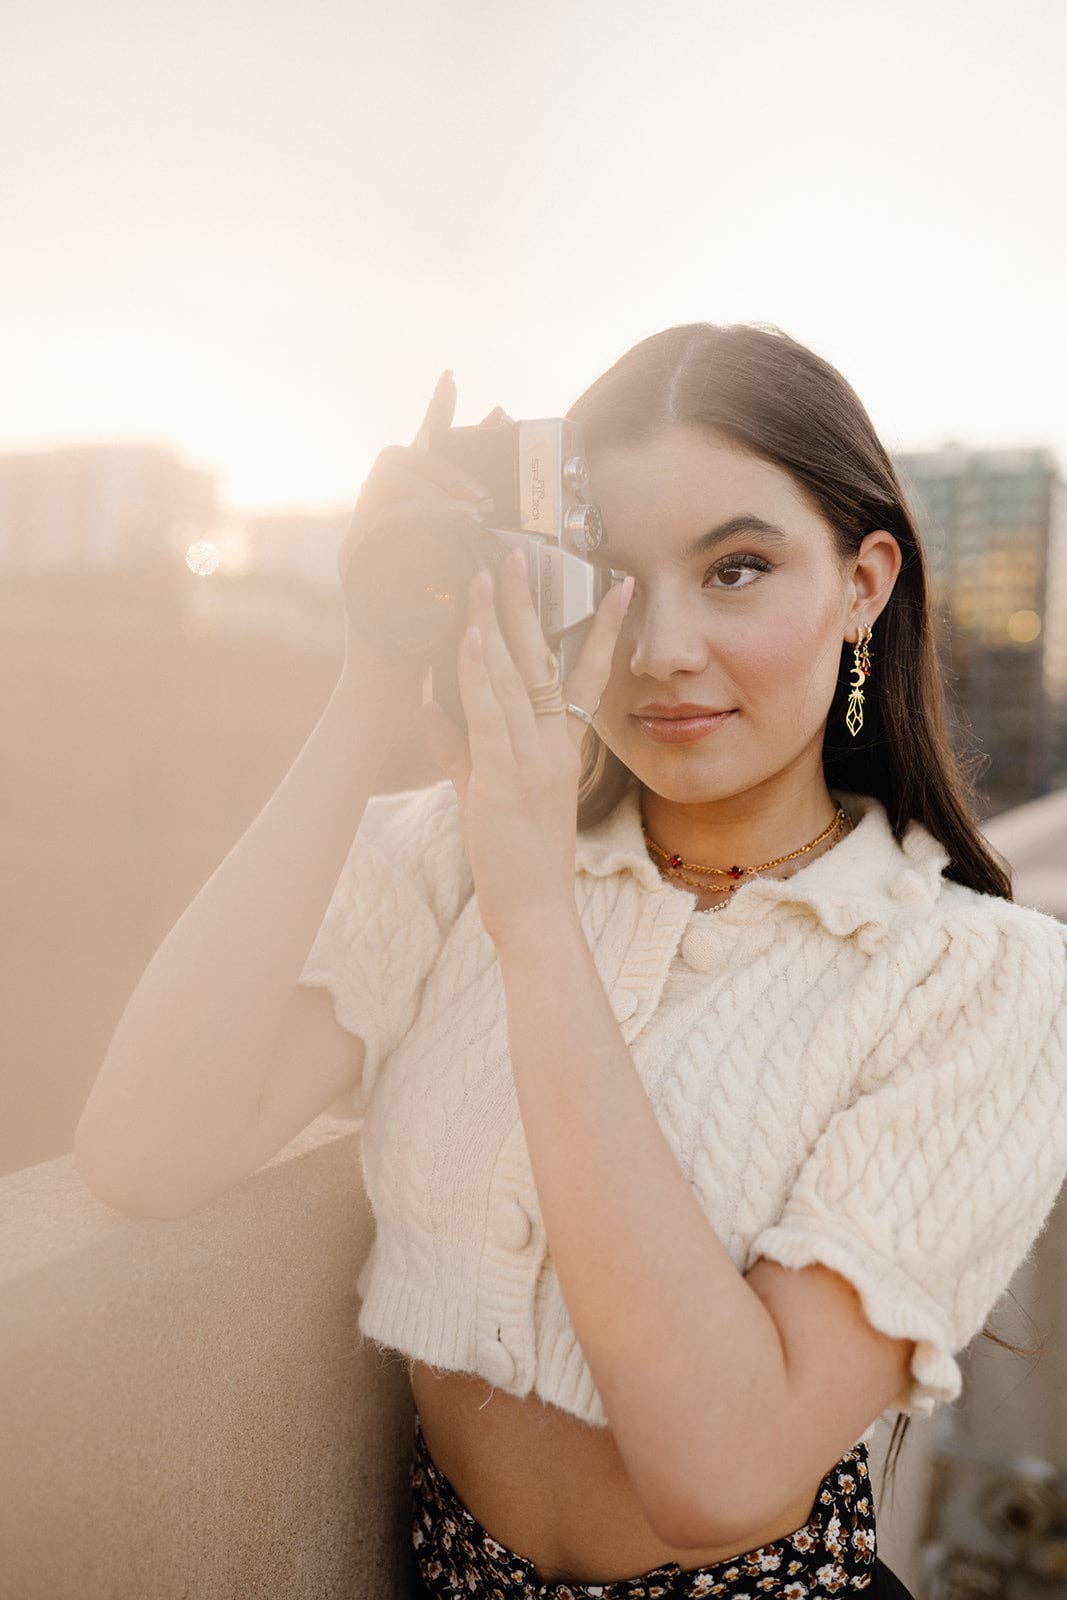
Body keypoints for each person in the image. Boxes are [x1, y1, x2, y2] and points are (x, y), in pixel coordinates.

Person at [74, 324, 1067, 1600]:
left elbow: (720, 1470)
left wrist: (536, 914)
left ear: (863, 583)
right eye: (608, 574)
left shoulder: (976, 979)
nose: (658, 649)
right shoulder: (454, 847)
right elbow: (144, 1150)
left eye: (737, 569)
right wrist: (372, 670)